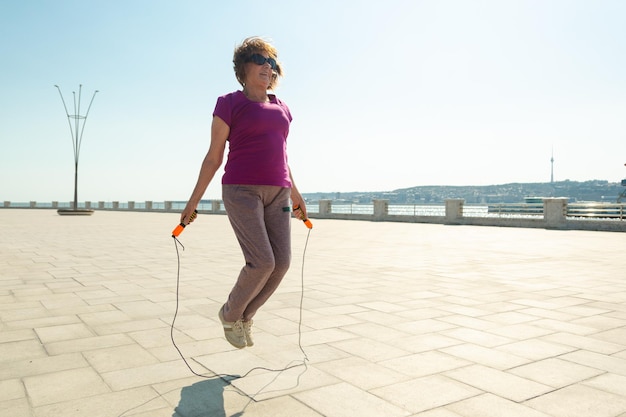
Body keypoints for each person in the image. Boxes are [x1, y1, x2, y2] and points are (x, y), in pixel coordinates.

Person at [179, 36, 308, 349]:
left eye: (272, 62)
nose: (268, 66)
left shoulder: (283, 108)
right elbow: (213, 156)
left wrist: (297, 195)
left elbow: (282, 155)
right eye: (260, 60)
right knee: (262, 261)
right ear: (243, 67)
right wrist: (193, 201)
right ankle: (229, 314)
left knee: (281, 264)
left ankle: (245, 318)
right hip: (241, 190)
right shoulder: (229, 103)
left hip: (279, 192)